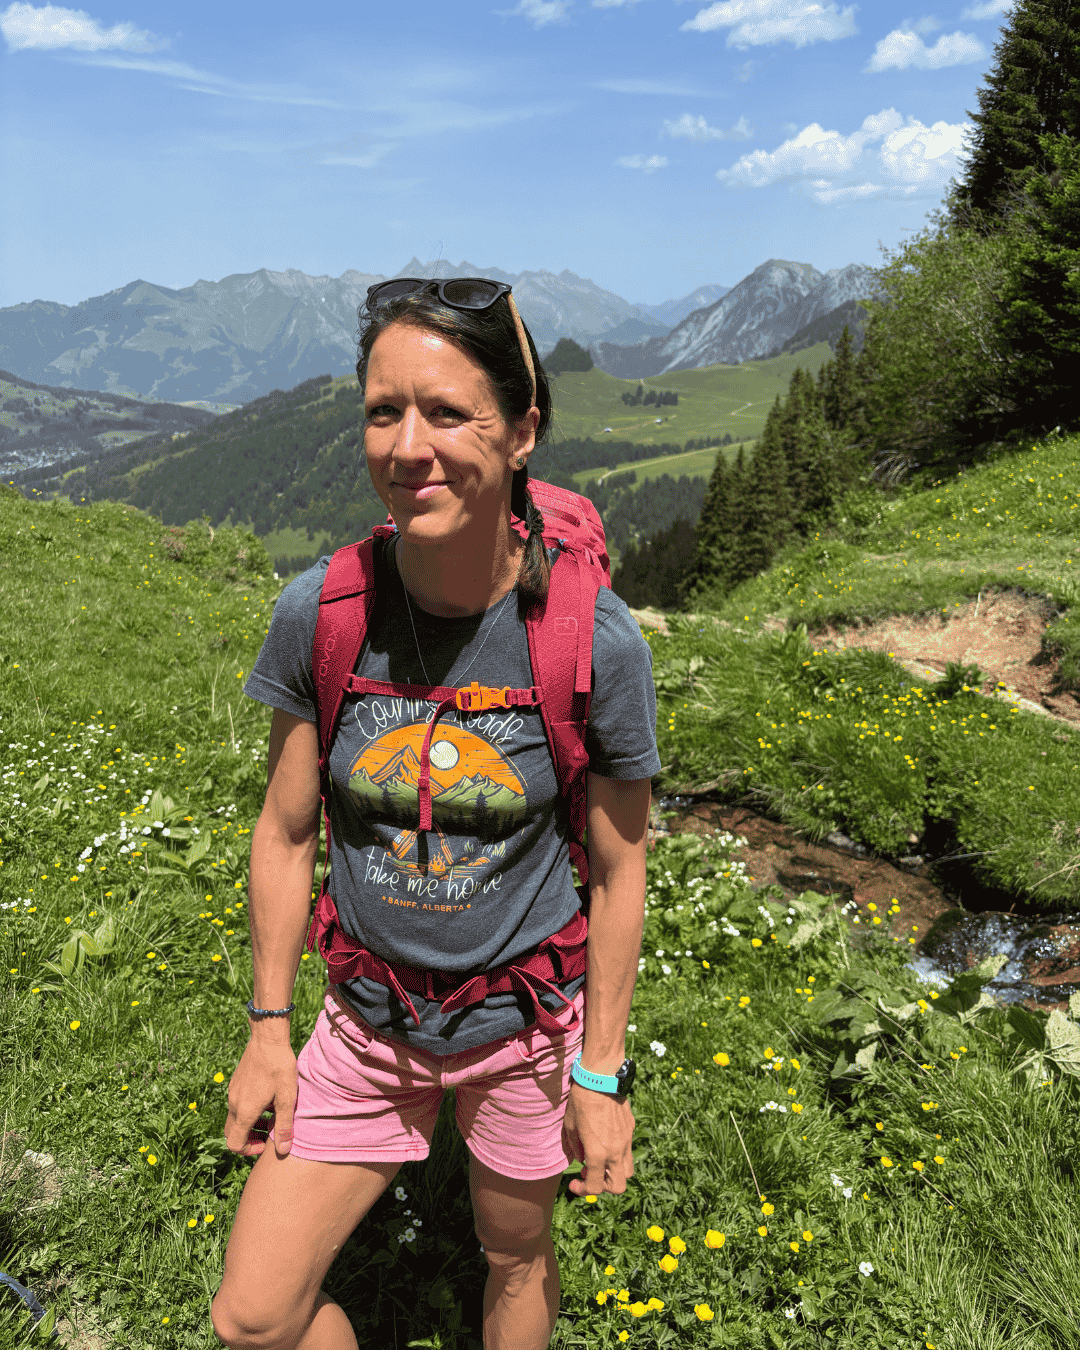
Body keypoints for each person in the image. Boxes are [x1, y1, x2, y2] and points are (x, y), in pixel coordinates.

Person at [210, 278, 660, 1350]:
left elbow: (618, 869)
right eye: (382, 411)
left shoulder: (593, 640)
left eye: (449, 413)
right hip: (365, 1027)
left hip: (524, 1031)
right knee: (253, 1320)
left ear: (524, 431)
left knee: (513, 1260)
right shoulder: (323, 610)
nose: (408, 446)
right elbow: (283, 832)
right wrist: (270, 1031)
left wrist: (599, 1072)